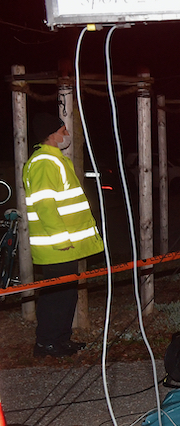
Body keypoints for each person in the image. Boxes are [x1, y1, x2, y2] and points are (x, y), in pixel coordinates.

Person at [22, 110, 104, 357]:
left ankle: (60, 340)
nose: (67, 134)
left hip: (63, 245)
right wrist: (63, 240)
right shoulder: (44, 163)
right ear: (51, 135)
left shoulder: (55, 160)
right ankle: (46, 342)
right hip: (56, 246)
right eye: (62, 131)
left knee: (66, 295)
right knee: (56, 297)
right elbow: (44, 206)